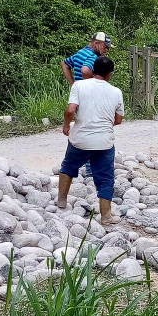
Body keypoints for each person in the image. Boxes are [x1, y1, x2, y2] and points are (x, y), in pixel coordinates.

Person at [58, 56, 124, 226]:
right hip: (104, 142)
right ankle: (106, 216)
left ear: (93, 70)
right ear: (110, 74)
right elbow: (118, 120)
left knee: (68, 167)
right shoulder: (116, 92)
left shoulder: (78, 85)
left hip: (80, 139)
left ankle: (62, 201)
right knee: (105, 178)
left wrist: (67, 125)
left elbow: (71, 110)